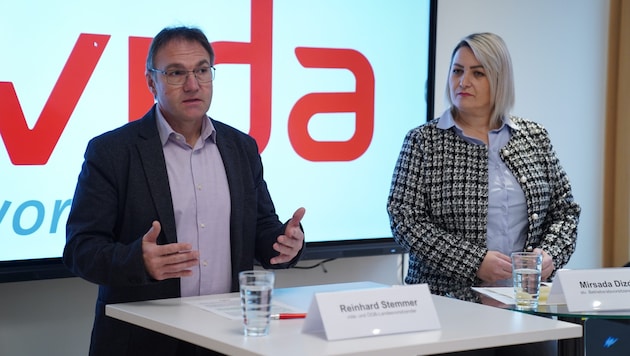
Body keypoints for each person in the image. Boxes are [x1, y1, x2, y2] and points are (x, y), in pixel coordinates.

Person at [63, 26, 305, 356]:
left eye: (202, 70)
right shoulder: (113, 151)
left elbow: (260, 229)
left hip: (226, 339)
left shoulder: (241, 148)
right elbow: (81, 248)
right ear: (152, 82)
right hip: (143, 342)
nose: (193, 85)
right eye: (176, 73)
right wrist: (139, 261)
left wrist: (284, 242)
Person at [387, 32, 580, 302]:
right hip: (448, 300)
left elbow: (565, 211)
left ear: (500, 80)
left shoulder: (534, 137)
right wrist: (473, 261)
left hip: (526, 300)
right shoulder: (423, 141)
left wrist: (550, 254)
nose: (463, 82)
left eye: (478, 73)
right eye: (457, 71)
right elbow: (405, 219)